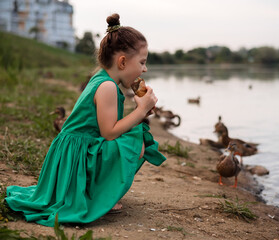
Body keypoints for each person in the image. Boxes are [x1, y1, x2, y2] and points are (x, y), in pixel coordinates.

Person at [5, 13, 166, 227]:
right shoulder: (107, 86)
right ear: (123, 61)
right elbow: (109, 133)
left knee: (135, 134)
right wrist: (140, 110)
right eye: (143, 62)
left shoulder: (103, 79)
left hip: (77, 151)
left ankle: (102, 191)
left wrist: (141, 112)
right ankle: (101, 195)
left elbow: (106, 130)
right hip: (75, 157)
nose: (145, 69)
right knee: (136, 141)